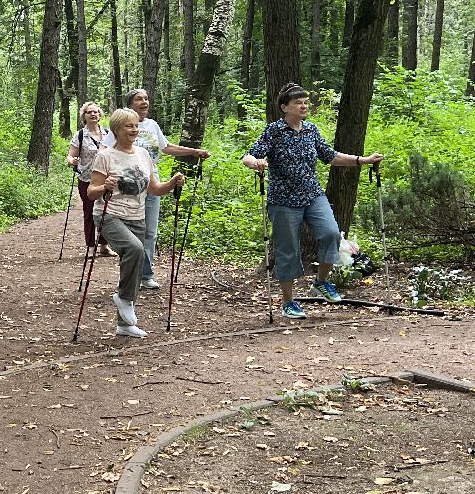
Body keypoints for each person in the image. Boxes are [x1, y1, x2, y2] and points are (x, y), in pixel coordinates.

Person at [242, 83, 382, 320]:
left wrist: (363, 160)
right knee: (288, 250)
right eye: (298, 102)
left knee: (331, 233)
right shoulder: (274, 131)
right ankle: (288, 302)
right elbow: (249, 154)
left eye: (305, 102)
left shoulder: (311, 131)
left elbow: (331, 156)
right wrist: (255, 163)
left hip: (312, 195)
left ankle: (321, 282)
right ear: (285, 107)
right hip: (284, 200)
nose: (304, 106)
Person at [89, 108, 190, 338]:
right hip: (110, 214)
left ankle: (124, 324)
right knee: (134, 250)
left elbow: (154, 188)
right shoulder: (106, 156)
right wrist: (104, 187)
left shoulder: (143, 154)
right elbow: (91, 193)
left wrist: (173, 183)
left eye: (136, 125)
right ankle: (124, 299)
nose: (134, 130)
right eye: (129, 126)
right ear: (116, 129)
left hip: (137, 216)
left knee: (134, 261)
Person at [102, 88, 208, 289]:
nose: (144, 102)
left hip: (151, 181)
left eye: (146, 98)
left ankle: (146, 275)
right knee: (130, 232)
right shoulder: (120, 126)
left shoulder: (152, 125)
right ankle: (129, 274)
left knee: (150, 232)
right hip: (124, 185)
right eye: (139, 99)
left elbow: (166, 147)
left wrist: (194, 151)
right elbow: (106, 150)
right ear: (130, 104)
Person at [66, 100, 110, 256]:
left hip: (106, 179)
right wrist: (73, 161)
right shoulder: (80, 135)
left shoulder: (108, 133)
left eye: (95, 111)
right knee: (90, 211)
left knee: (106, 211)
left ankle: (104, 246)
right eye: (89, 112)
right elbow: (70, 157)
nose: (93, 114)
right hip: (86, 179)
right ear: (84, 116)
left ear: (100, 115)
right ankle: (91, 246)